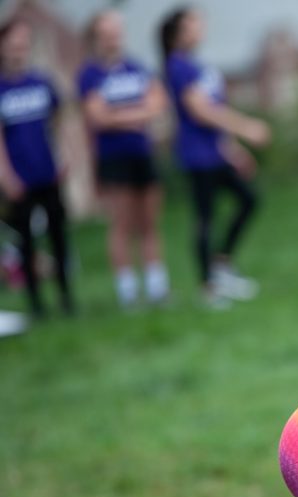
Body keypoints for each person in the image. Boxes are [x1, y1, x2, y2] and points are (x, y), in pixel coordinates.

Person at [159, 7, 270, 308]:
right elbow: (202, 111)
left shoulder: (197, 65)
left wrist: (232, 148)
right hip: (197, 157)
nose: (201, 27)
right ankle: (208, 287)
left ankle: (222, 265)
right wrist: (246, 127)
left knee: (249, 199)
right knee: (205, 218)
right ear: (178, 32)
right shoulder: (177, 66)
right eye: (194, 23)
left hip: (216, 152)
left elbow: (215, 111)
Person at [79, 10, 170, 309]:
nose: (113, 38)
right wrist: (135, 113)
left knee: (149, 222)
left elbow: (157, 103)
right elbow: (98, 117)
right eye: (107, 33)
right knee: (121, 224)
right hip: (113, 159)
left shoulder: (136, 67)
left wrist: (121, 115)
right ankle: (128, 292)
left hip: (142, 154)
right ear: (97, 37)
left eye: (116, 31)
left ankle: (157, 289)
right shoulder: (90, 74)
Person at [0, 19, 74, 319]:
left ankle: (67, 298)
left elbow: (58, 118)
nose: (20, 50)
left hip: (48, 173)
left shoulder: (41, 82)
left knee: (58, 235)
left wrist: (63, 153)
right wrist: (6, 176)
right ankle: (36, 304)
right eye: (14, 44)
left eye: (24, 44)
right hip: (20, 177)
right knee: (25, 240)